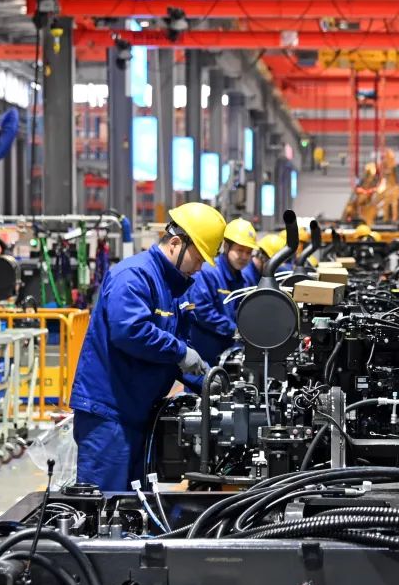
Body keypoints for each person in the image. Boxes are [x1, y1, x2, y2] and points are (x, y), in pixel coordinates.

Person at [70, 202, 226, 491]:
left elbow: (177, 352)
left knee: (132, 504)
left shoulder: (176, 288)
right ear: (176, 243)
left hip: (138, 411)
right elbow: (130, 331)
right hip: (109, 413)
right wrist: (181, 353)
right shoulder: (134, 275)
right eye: (198, 257)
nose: (200, 267)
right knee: (105, 503)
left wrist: (206, 382)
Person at [183, 217, 258, 365]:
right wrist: (235, 330)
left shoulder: (244, 279)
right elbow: (202, 311)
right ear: (226, 246)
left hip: (230, 353)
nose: (244, 256)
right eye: (240, 250)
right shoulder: (208, 272)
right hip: (206, 353)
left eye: (248, 252)